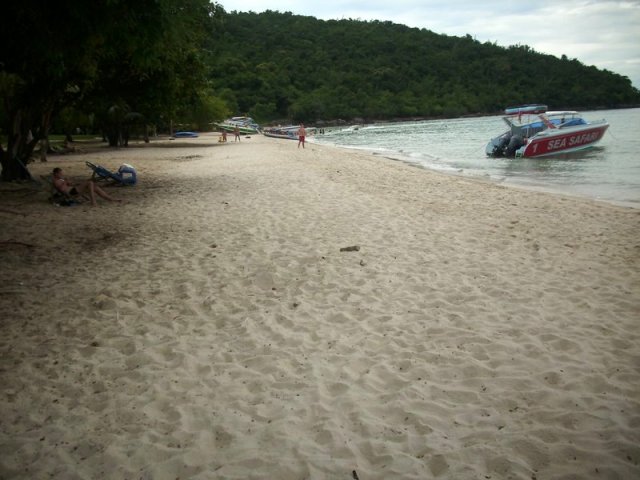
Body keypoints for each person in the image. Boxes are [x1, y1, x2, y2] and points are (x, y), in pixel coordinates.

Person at [52, 167, 121, 207]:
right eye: (60, 173)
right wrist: (65, 181)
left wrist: (71, 182)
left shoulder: (61, 179)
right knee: (90, 183)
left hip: (74, 189)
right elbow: (60, 188)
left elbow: (70, 184)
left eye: (61, 173)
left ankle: (111, 199)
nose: (62, 174)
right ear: (56, 174)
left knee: (95, 187)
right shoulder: (55, 181)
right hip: (71, 192)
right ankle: (93, 202)